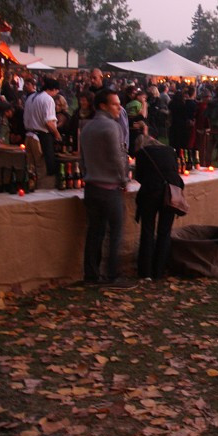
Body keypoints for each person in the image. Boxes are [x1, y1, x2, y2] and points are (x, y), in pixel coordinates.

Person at [79, 90, 136, 289]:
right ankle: (113, 275)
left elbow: (82, 159)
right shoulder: (112, 127)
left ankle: (91, 275)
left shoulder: (86, 127)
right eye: (114, 104)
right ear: (103, 106)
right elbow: (118, 156)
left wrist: (86, 174)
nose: (119, 108)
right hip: (109, 188)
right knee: (115, 233)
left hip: (91, 186)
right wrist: (124, 179)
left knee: (94, 232)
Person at [134, 137, 184, 280]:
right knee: (165, 232)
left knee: (147, 231)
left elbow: (139, 176)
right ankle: (159, 270)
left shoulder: (143, 153)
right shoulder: (170, 151)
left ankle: (146, 272)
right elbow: (175, 170)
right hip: (171, 192)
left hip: (151, 192)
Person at [23, 77, 63, 189]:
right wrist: (57, 134)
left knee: (31, 168)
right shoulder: (48, 99)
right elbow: (49, 122)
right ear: (54, 89)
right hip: (41, 137)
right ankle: (43, 193)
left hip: (29, 136)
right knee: (43, 168)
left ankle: (31, 188)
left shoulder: (31, 97)